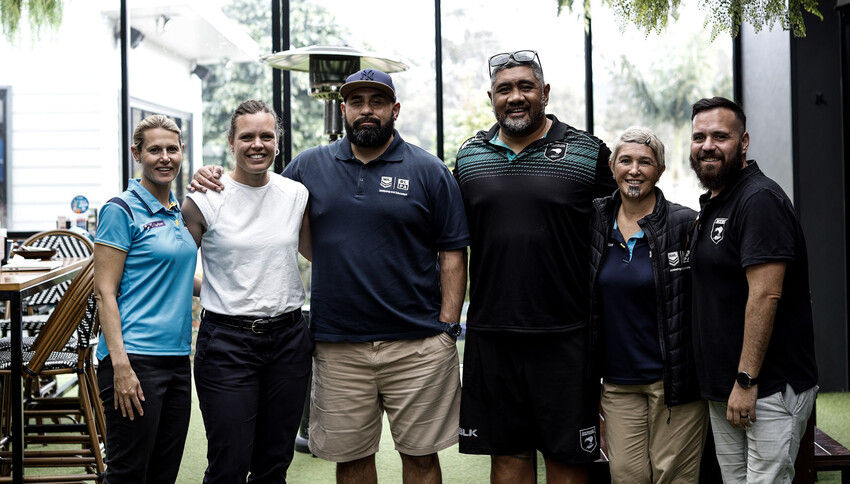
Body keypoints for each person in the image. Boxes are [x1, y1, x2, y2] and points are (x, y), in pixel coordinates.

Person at [191, 70, 470, 484]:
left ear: (395, 109)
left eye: (377, 102)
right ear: (343, 110)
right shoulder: (308, 167)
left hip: (416, 344)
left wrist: (447, 327)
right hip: (338, 347)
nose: (367, 110)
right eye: (357, 102)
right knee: (351, 461)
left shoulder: (429, 170)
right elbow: (257, 194)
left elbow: (453, 252)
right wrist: (210, 175)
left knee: (422, 459)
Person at [453, 50, 615, 483]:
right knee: (507, 461)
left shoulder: (588, 152)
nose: (515, 97)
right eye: (504, 89)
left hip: (566, 336)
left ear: (545, 92)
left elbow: (628, 219)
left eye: (525, 87)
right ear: (491, 98)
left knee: (568, 462)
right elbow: (448, 241)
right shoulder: (469, 157)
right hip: (492, 336)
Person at [181, 100, 313, 483]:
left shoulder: (296, 194)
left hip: (288, 342)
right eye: (247, 137)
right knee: (229, 466)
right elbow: (175, 271)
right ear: (231, 141)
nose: (257, 144)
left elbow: (318, 253)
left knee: (274, 466)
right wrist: (217, 290)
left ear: (278, 141)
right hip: (227, 344)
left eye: (266, 136)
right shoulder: (205, 198)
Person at [688, 96, 818, 483]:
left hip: (765, 387)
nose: (707, 146)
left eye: (720, 136)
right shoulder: (717, 201)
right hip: (727, 389)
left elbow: (766, 295)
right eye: (699, 137)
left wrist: (746, 381)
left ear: (743, 142)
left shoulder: (759, 200)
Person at [588, 126, 707, 483]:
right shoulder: (593, 221)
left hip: (674, 383)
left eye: (645, 162)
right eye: (625, 161)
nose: (634, 170)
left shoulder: (685, 224)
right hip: (618, 382)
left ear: (660, 170)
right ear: (612, 167)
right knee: (626, 475)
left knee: (674, 477)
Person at [93, 114, 198, 483]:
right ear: (137, 154)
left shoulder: (177, 212)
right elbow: (104, 292)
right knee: (127, 474)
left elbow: (177, 277)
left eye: (172, 149)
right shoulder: (120, 210)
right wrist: (121, 366)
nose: (164, 157)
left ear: (182, 151)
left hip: (177, 359)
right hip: (134, 359)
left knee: (163, 474)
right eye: (154, 150)